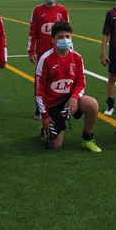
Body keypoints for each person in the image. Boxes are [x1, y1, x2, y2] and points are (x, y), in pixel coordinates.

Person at [35, 21, 101, 152]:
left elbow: (81, 82)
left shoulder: (77, 58)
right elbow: (38, 90)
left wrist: (75, 97)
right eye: (60, 37)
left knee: (92, 104)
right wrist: (44, 115)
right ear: (53, 40)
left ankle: (87, 140)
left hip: (70, 100)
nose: (65, 40)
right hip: (52, 105)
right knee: (56, 145)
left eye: (67, 36)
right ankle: (45, 130)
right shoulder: (45, 59)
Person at [28, 0, 70, 119]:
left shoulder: (63, 10)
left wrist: (69, 48)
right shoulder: (37, 10)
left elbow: (67, 32)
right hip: (42, 52)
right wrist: (31, 50)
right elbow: (33, 31)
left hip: (59, 52)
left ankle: (59, 106)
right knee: (40, 81)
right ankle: (38, 109)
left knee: (57, 79)